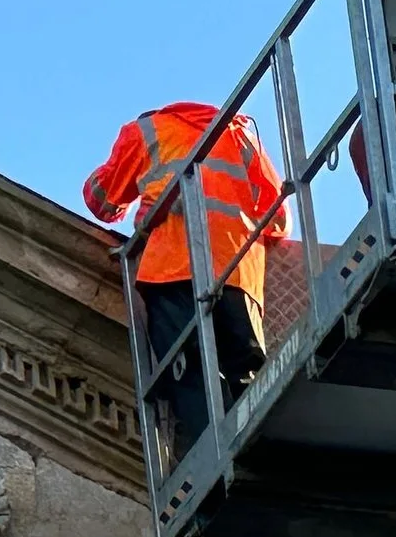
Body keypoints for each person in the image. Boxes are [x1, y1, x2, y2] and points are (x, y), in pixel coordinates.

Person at [84, 102, 287, 458]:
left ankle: (218, 457)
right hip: (241, 272)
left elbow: (103, 200)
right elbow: (278, 217)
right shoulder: (239, 133)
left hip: (177, 265)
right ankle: (262, 451)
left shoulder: (147, 131)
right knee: (245, 369)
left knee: (188, 368)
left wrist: (142, 207)